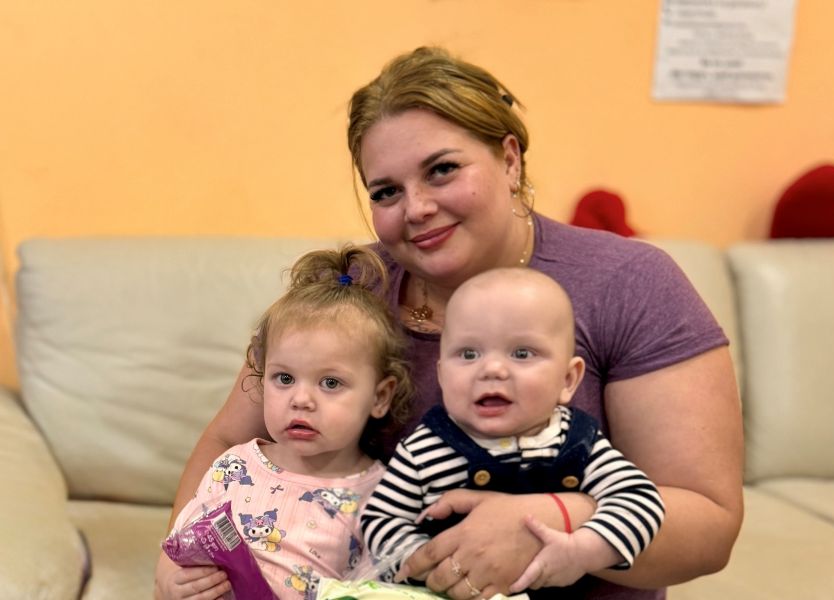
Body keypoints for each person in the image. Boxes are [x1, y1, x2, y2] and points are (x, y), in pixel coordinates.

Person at [166, 46, 744, 600]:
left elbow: (710, 526)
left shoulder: (629, 283)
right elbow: (229, 440)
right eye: (387, 191)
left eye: (442, 170)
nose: (416, 208)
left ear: (510, 159)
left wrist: (555, 520)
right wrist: (177, 562)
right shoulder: (349, 287)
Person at [361, 267, 666, 598]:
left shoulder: (578, 442)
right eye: (468, 354)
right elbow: (379, 519)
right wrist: (426, 562)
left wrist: (582, 550)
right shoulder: (425, 448)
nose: (492, 369)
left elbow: (640, 499)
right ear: (442, 375)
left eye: (522, 353)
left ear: (568, 380)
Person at [155, 246, 413, 599]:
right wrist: (172, 581)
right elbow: (179, 550)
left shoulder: (381, 497)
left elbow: (379, 590)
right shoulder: (232, 468)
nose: (301, 399)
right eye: (285, 379)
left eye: (330, 383)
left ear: (380, 396)